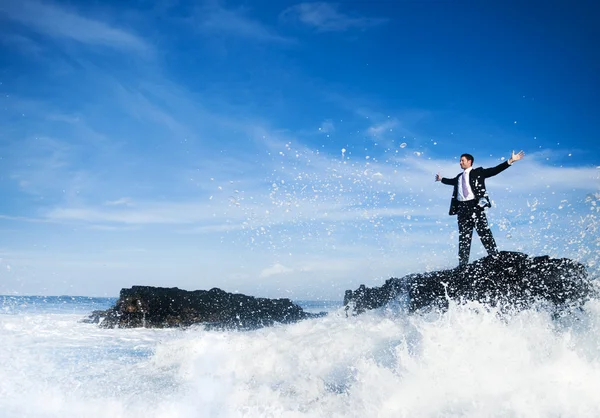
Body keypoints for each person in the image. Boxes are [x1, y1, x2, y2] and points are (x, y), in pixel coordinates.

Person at [435, 150, 525, 266]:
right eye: (460, 161)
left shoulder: (478, 172)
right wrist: (441, 179)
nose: (460, 163)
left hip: (475, 206)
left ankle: (494, 257)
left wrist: (510, 161)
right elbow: (451, 181)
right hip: (462, 209)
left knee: (484, 232)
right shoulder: (459, 177)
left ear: (469, 161)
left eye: (462, 160)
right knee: (464, 237)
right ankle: (463, 265)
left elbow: (494, 170)